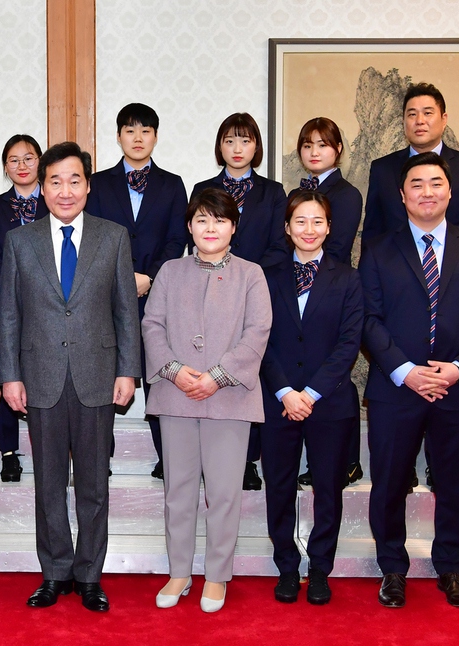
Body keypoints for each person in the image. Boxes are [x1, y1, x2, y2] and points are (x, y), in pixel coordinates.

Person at [0, 141, 140, 613]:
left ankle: (90, 575)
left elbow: (125, 311)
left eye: (74, 180)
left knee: (94, 483)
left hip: (98, 375)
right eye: (54, 181)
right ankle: (55, 572)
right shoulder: (20, 241)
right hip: (40, 376)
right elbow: (9, 316)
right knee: (49, 483)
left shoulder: (113, 236)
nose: (65, 190)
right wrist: (10, 375)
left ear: (88, 185)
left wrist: (128, 370)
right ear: (41, 187)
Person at [360, 152, 459, 609]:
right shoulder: (379, 248)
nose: (427, 191)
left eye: (435, 183)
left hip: (457, 390)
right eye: (416, 184)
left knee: (455, 484)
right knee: (388, 482)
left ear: (449, 191)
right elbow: (369, 319)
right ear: (402, 196)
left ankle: (449, 569)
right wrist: (406, 371)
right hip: (395, 388)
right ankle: (393, 569)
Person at [142, 187, 271, 613]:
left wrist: (216, 376)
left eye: (219, 220)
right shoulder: (170, 271)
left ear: (233, 226)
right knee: (177, 491)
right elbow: (152, 326)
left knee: (223, 493)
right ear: (190, 225)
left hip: (229, 398)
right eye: (201, 219)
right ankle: (179, 572)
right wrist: (176, 370)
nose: (210, 227)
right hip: (175, 395)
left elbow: (257, 333)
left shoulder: (251, 274)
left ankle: (216, 576)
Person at [259, 191, 363, 605]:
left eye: (317, 221)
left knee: (328, 488)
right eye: (300, 221)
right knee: (279, 486)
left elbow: (349, 343)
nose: (309, 229)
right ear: (287, 228)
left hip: (330, 403)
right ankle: (286, 566)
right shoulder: (267, 276)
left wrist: (312, 393)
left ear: (329, 227)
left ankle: (320, 568)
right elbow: (258, 339)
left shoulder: (347, 278)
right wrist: (286, 391)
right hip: (277, 401)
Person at [85, 103, 188, 480]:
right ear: (118, 136)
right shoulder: (97, 183)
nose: (138, 137)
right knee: (103, 378)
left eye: (146, 131)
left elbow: (179, 238)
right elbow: (91, 237)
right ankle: (99, 457)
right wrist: (122, 276)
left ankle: (169, 457)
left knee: (159, 376)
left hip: (157, 297)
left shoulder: (173, 184)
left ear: (156, 137)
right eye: (130, 130)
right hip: (105, 297)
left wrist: (150, 276)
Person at [191, 112, 287, 491]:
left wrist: (245, 278)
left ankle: (248, 460)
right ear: (220, 146)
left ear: (256, 147)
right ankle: (206, 455)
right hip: (209, 294)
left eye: (245, 140)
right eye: (229, 140)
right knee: (212, 366)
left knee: (250, 375)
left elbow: (280, 248)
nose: (237, 148)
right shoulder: (203, 186)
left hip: (258, 290)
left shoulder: (274, 192)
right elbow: (198, 239)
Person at [286, 117, 364, 487]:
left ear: (338, 150)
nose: (314, 152)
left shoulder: (347, 194)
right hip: (298, 287)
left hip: (330, 291)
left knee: (335, 381)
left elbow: (335, 247)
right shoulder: (296, 193)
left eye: (323, 144)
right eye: (307, 145)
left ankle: (346, 463)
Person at [0, 133, 48, 482]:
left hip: (50, 305)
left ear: (40, 161)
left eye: (29, 158)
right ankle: (8, 452)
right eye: (14, 160)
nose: (22, 165)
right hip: (5, 301)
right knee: (5, 370)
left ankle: (48, 451)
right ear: (5, 166)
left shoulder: (56, 202)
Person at [364, 82, 459, 245]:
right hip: (394, 266)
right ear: (403, 121)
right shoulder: (382, 169)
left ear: (443, 119)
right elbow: (372, 234)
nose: (420, 121)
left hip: (453, 268)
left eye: (427, 113)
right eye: (412, 114)